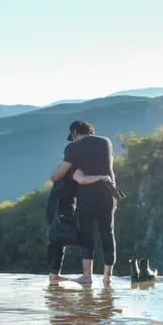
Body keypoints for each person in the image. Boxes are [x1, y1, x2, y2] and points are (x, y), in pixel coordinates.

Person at [54, 120, 118, 287]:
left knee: (86, 235)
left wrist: (56, 177)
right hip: (108, 193)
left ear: (75, 132)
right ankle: (107, 277)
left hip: (87, 195)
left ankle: (87, 276)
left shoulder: (73, 148)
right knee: (107, 232)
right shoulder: (106, 142)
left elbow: (60, 173)